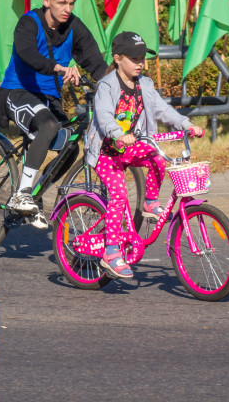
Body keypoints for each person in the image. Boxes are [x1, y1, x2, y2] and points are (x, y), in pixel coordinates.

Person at [86, 31, 204, 278]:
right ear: (117, 58)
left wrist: (186, 124)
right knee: (118, 194)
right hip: (107, 151)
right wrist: (118, 134)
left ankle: (150, 201)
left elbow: (163, 110)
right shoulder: (106, 85)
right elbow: (104, 115)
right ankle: (110, 252)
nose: (140, 62)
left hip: (129, 146)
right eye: (134, 58)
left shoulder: (145, 85)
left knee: (157, 156)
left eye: (142, 57)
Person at [0, 0, 109, 227]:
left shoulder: (74, 26)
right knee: (48, 126)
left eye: (71, 4)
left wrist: (113, 85)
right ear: (47, 1)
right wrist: (58, 68)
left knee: (71, 146)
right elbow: (27, 54)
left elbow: (94, 60)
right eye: (62, 3)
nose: (67, 9)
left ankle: (34, 195)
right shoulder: (29, 23)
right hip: (17, 92)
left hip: (50, 98)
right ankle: (21, 194)